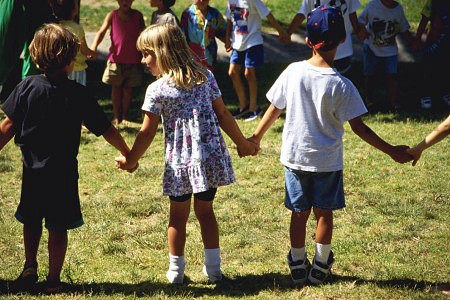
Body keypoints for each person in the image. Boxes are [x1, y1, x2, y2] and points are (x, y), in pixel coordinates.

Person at [247, 6, 412, 285]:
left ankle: (298, 263)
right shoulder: (342, 85)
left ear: (309, 41)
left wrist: (256, 137)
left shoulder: (292, 72)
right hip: (327, 162)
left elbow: (275, 108)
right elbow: (359, 127)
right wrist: (393, 151)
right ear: (343, 40)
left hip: (296, 159)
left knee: (299, 213)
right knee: (324, 214)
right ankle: (321, 265)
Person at [115, 24, 258, 284]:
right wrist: (242, 143)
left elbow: (146, 133)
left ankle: (176, 272)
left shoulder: (157, 89)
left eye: (147, 54)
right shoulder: (206, 77)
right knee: (206, 212)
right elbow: (223, 114)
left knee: (177, 217)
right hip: (209, 159)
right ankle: (214, 270)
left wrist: (131, 159)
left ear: (163, 52)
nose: (143, 60)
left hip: (180, 163)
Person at [0, 24, 131, 294]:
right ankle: (53, 280)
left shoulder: (26, 87)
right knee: (58, 227)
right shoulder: (78, 94)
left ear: (36, 57)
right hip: (63, 174)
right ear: (71, 61)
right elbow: (106, 129)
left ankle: (29, 266)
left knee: (32, 219)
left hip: (32, 172)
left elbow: (7, 126)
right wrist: (127, 152)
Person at [225, 0, 289, 122]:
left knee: (249, 73)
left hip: (252, 41)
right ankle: (243, 106)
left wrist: (281, 32)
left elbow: (267, 14)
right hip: (237, 42)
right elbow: (229, 18)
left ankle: (254, 108)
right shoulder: (231, 1)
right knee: (232, 72)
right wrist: (228, 37)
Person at [91, 0, 145, 125]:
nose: (125, 1)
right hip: (116, 61)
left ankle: (125, 116)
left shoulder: (138, 16)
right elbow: (101, 32)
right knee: (116, 88)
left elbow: (143, 35)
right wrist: (93, 47)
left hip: (133, 60)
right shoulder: (112, 15)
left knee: (128, 89)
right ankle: (116, 116)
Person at [358, 0, 417, 110]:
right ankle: (368, 100)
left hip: (390, 50)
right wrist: (361, 30)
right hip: (371, 47)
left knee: (392, 75)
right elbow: (360, 21)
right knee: (369, 75)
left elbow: (403, 29)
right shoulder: (372, 5)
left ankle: (394, 102)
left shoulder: (398, 9)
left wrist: (412, 42)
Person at [287, 0, 366, 74]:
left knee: (320, 79)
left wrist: (288, 33)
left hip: (320, 51)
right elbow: (352, 12)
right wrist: (357, 30)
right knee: (342, 81)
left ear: (308, 42)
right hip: (343, 48)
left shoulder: (293, 70)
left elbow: (301, 14)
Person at [415, 0, 450, 109]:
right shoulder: (432, 3)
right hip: (434, 42)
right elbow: (424, 20)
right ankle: (426, 95)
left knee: (446, 69)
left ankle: (446, 93)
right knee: (429, 68)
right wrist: (417, 39)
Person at [54, 0, 97, 85]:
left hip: (61, 69)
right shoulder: (77, 29)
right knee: (78, 95)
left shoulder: (57, 27)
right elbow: (84, 50)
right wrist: (93, 53)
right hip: (77, 69)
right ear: (74, 10)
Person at [180, 0, 226, 72]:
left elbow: (222, 32)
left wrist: (229, 43)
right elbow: (182, 38)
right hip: (192, 60)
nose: (202, 0)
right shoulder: (187, 15)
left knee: (210, 81)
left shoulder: (215, 14)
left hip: (210, 58)